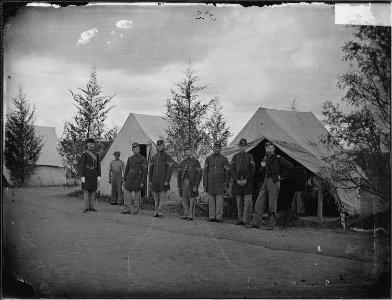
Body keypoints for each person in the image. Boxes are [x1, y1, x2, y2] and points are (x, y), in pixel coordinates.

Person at [251, 141, 293, 230]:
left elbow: (290, 166)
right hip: (265, 182)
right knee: (259, 202)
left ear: (274, 148)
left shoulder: (278, 157)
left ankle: (271, 224)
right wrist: (262, 166)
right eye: (267, 148)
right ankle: (256, 223)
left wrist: (280, 176)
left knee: (272, 204)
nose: (268, 150)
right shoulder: (265, 158)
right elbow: (260, 171)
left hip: (273, 181)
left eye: (270, 148)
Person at [230, 138, 255, 227]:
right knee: (239, 201)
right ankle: (240, 218)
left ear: (246, 146)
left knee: (247, 202)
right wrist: (237, 180)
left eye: (244, 146)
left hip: (247, 183)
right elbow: (231, 170)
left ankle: (246, 220)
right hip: (237, 183)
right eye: (241, 146)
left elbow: (252, 170)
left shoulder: (250, 156)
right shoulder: (235, 157)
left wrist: (246, 179)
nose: (242, 147)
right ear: (239, 146)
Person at [203, 141, 230, 223]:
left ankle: (219, 217)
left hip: (220, 184)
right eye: (215, 148)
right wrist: (205, 184)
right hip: (210, 184)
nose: (217, 149)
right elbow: (205, 172)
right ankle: (211, 217)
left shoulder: (224, 159)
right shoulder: (208, 158)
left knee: (219, 202)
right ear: (213, 148)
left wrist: (226, 184)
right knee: (211, 201)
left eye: (218, 148)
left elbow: (227, 173)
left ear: (220, 149)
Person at [149, 140, 174, 217]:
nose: (159, 147)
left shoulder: (167, 157)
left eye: (161, 145)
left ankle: (160, 212)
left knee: (162, 198)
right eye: (158, 145)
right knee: (156, 199)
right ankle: (156, 211)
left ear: (163, 146)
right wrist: (150, 180)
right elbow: (151, 170)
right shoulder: (154, 157)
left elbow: (170, 170)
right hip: (155, 180)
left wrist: (167, 180)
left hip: (163, 180)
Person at [177, 146, 202, 221]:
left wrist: (196, 185)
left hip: (192, 183)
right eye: (186, 152)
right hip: (183, 182)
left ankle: (190, 215)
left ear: (191, 152)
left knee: (191, 198)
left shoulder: (195, 161)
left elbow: (199, 174)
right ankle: (185, 214)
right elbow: (179, 174)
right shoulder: (182, 162)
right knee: (184, 198)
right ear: (184, 153)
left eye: (189, 152)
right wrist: (179, 185)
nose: (187, 153)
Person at [122, 143, 148, 215]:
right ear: (132, 150)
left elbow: (145, 171)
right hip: (129, 179)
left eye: (137, 149)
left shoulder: (143, 159)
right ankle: (127, 209)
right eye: (134, 149)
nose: (135, 151)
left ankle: (136, 210)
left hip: (138, 179)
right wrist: (124, 180)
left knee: (137, 196)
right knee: (126, 194)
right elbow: (126, 170)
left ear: (139, 150)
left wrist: (143, 181)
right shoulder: (130, 158)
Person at [79, 138, 101, 213]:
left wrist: (99, 175)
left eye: (93, 144)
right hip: (87, 174)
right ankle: (86, 207)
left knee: (93, 191)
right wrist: (82, 176)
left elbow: (98, 165)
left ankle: (92, 207)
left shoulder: (96, 154)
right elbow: (81, 165)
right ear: (87, 144)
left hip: (94, 173)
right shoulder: (84, 154)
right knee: (86, 191)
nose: (92, 145)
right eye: (90, 144)